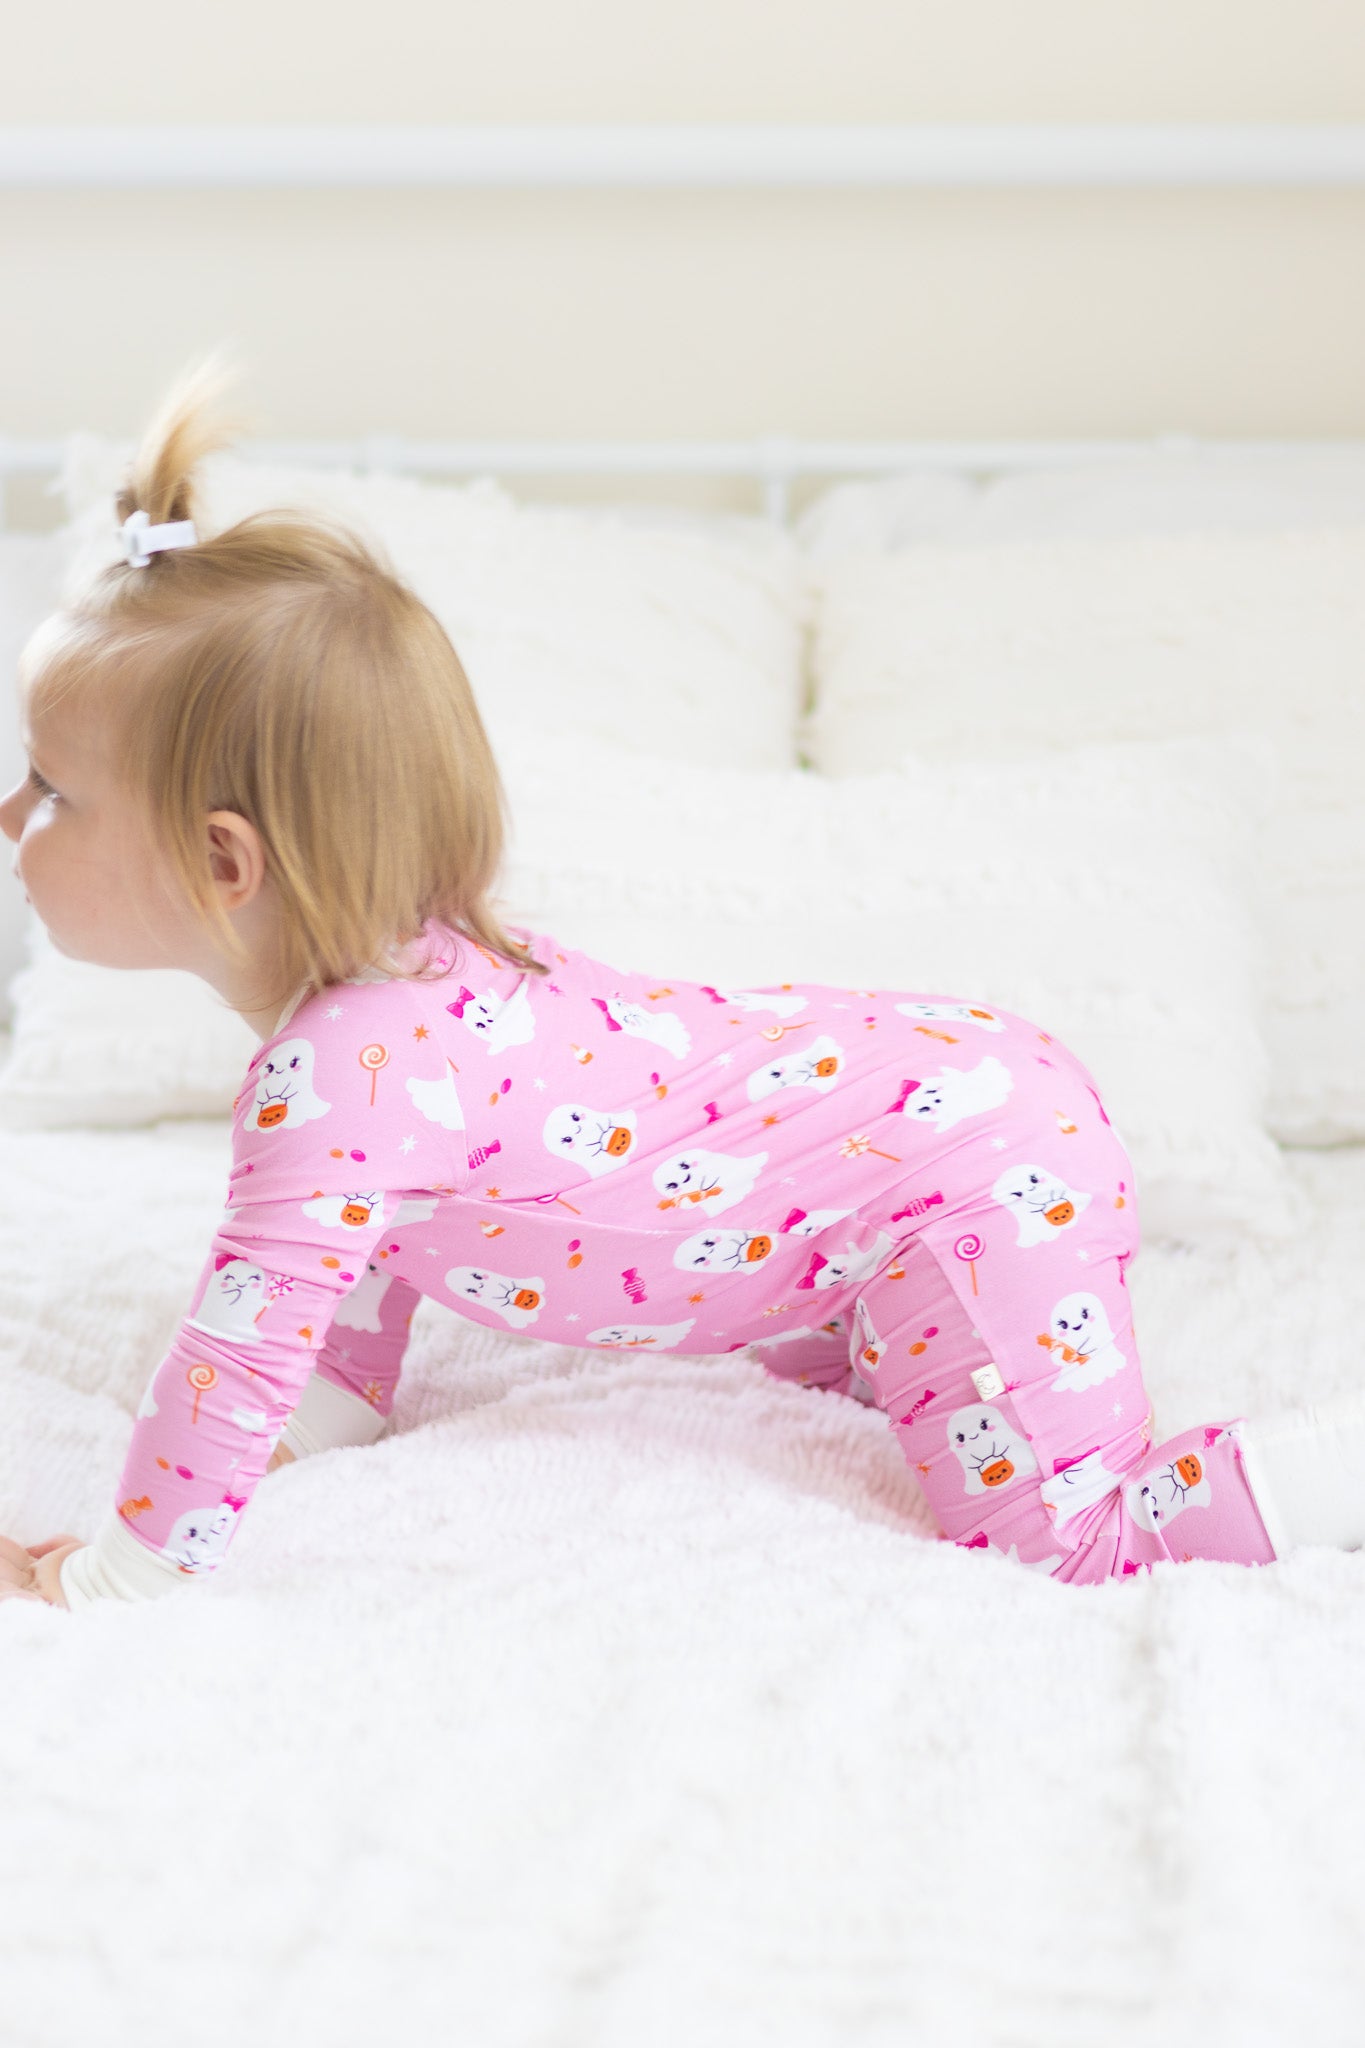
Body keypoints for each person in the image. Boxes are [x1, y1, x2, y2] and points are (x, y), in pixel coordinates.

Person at [0, 360, 1356, 1608]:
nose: (14, 815)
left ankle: (1323, 1469)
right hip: (922, 1148)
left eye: (53, 789)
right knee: (876, 1363)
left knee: (1063, 1540)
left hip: (965, 1164)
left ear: (224, 860)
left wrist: (109, 1579)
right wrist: (319, 1421)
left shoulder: (334, 1080)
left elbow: (228, 1365)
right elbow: (337, 1325)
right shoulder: (388, 1017)